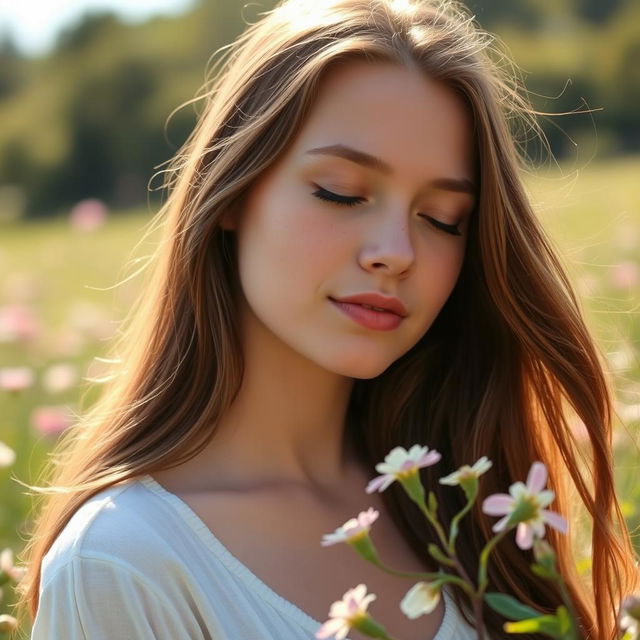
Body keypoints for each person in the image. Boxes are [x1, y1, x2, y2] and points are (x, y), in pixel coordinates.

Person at [15, 0, 638, 638]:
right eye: (341, 192)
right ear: (231, 192)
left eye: (442, 218)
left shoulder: (467, 505)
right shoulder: (123, 563)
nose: (396, 252)